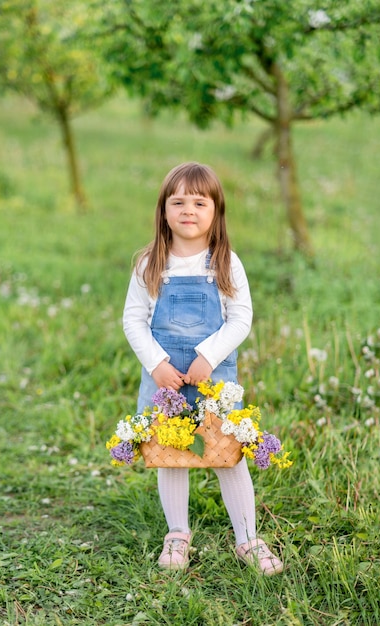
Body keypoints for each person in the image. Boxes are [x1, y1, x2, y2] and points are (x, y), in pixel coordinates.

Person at [123, 162, 283, 575]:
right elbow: (133, 320)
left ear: (216, 211)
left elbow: (240, 318)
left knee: (228, 454)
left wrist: (208, 357)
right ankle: (177, 533)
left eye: (199, 201)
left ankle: (247, 537)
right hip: (166, 383)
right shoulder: (149, 264)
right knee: (170, 453)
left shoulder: (226, 263)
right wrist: (157, 364)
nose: (188, 210)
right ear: (163, 211)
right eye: (177, 202)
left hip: (215, 382)